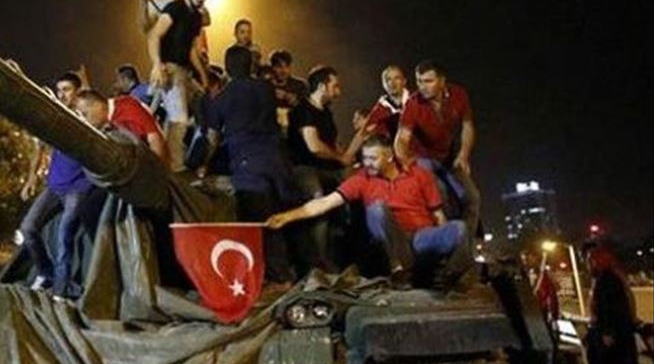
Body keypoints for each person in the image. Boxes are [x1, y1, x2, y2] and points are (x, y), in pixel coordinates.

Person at [267, 135, 474, 290]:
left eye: (373, 158)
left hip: (421, 238)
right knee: (377, 209)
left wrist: (445, 245)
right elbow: (324, 203)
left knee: (459, 228)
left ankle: (448, 276)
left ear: (389, 157)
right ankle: (399, 271)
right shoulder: (362, 179)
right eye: (365, 158)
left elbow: (438, 215)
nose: (367, 163)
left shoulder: (420, 175)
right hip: (393, 242)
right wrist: (286, 217)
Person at [203, 45, 298, 283]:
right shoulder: (266, 89)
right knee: (281, 218)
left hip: (248, 167)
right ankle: (289, 274)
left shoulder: (221, 99)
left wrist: (202, 165)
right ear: (251, 65)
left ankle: (272, 278)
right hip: (277, 161)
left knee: (258, 222)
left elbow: (211, 139)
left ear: (227, 68)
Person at [19, 72, 97, 302]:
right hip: (54, 187)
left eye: (67, 90)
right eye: (59, 90)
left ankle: (60, 292)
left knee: (64, 236)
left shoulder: (85, 116)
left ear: (77, 92)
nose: (62, 94)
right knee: (28, 227)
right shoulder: (54, 118)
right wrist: (31, 179)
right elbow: (39, 147)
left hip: (78, 188)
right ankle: (46, 273)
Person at [286, 65, 366, 270]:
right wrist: (341, 158)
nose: (338, 92)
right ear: (322, 86)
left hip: (329, 169)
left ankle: (352, 257)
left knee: (354, 194)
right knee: (318, 198)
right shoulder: (303, 110)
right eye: (335, 86)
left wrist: (350, 150)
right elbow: (314, 146)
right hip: (305, 168)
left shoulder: (326, 113)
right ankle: (318, 262)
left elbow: (333, 144)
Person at [395, 59, 481, 235]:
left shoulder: (459, 94)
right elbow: (402, 138)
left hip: (448, 156)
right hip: (422, 158)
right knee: (440, 193)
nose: (422, 87)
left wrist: (464, 155)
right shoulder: (413, 103)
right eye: (419, 81)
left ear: (442, 81)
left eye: (428, 81)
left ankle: (465, 245)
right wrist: (405, 162)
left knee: (472, 197)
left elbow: (468, 126)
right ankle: (447, 240)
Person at [146, 0, 215, 172]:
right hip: (169, 70)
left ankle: (186, 159)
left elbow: (191, 49)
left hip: (186, 73)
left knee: (205, 107)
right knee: (179, 119)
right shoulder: (174, 9)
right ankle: (174, 168)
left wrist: (203, 76)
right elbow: (154, 35)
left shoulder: (196, 17)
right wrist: (157, 64)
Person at [583, 244, 639, 364]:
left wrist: (608, 332)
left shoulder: (606, 279)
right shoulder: (611, 277)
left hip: (610, 334)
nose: (588, 264)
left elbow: (609, 308)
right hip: (614, 332)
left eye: (590, 260)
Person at [74, 89, 170, 165]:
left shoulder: (127, 106)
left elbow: (154, 138)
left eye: (85, 114)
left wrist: (158, 171)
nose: (85, 120)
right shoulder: (106, 125)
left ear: (97, 105)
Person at [361, 64, 411, 139]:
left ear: (404, 81)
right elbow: (364, 133)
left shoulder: (416, 101)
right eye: (388, 80)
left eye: (397, 78)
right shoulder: (380, 108)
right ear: (384, 84)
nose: (392, 83)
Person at [268, 49, 309, 133]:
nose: (283, 70)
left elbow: (307, 111)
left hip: (294, 130)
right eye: (279, 66)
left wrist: (288, 97)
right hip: (270, 131)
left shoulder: (300, 85)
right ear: (272, 67)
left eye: (287, 66)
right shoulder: (264, 86)